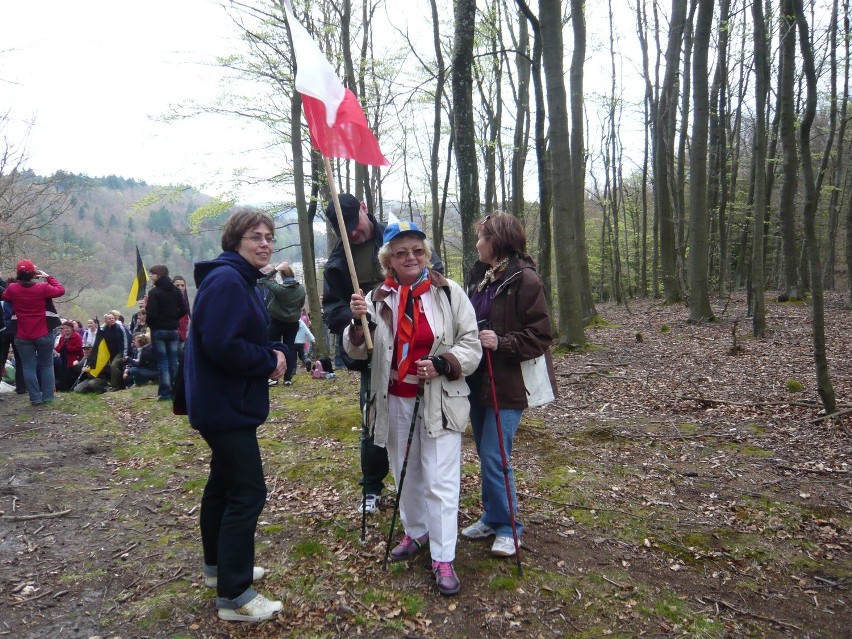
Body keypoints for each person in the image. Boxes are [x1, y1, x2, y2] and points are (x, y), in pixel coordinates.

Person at [345, 220, 481, 596]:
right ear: (389, 258)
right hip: (394, 399)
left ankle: (443, 555)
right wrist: (356, 325)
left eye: (417, 251)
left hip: (439, 400)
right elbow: (357, 351)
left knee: (440, 477)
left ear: (427, 255)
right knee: (404, 470)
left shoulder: (448, 293)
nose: (411, 258)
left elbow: (472, 343)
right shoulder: (376, 298)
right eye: (401, 252)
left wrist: (444, 363)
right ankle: (416, 532)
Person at [184, 207, 288, 622]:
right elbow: (222, 345)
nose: (264, 244)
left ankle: (218, 569)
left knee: (222, 487)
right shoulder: (227, 280)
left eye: (268, 237)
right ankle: (235, 595)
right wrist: (269, 360)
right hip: (224, 406)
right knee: (248, 492)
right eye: (255, 237)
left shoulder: (237, 279)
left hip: (221, 402)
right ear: (235, 241)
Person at [323, 194, 446, 514]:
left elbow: (433, 274)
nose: (353, 233)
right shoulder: (338, 262)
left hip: (416, 344)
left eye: (355, 225)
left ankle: (422, 484)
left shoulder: (398, 239)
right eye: (344, 230)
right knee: (374, 417)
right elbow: (331, 311)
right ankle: (373, 486)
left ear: (365, 207)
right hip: (374, 350)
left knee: (423, 417)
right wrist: (354, 318)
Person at [461, 213, 557, 557]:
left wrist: (501, 342)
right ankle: (492, 516)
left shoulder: (525, 280)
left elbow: (541, 336)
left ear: (497, 241)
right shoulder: (482, 278)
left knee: (495, 455)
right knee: (487, 455)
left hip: (509, 383)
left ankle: (509, 528)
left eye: (482, 237)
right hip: (478, 380)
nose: (477, 244)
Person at [2, 260, 65, 405]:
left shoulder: (12, 288)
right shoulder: (42, 287)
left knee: (27, 366)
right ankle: (48, 396)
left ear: (18, 274)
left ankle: (35, 398)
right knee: (46, 365)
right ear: (33, 274)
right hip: (43, 332)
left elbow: (5, 296)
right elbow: (60, 290)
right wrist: (48, 277)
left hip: (22, 334)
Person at [146, 264, 189, 401]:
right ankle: (177, 390)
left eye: (152, 274)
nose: (151, 276)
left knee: (163, 362)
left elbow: (150, 313)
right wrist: (174, 318)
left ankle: (165, 393)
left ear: (158, 275)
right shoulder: (175, 291)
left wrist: (153, 324)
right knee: (173, 361)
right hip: (173, 330)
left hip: (159, 330)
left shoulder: (154, 292)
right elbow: (184, 308)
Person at [259, 262, 305, 386]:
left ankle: (274, 377)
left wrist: (276, 269)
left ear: (282, 276)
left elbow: (263, 279)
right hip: (293, 323)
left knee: (273, 346)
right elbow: (301, 304)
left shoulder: (280, 289)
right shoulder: (301, 289)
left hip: (277, 321)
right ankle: (288, 377)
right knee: (289, 348)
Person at [102, 312, 131, 390]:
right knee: (109, 367)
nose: (111, 320)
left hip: (121, 352)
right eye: (109, 318)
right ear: (106, 320)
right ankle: (119, 384)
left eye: (113, 318)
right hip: (111, 353)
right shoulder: (104, 329)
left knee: (114, 365)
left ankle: (114, 386)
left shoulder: (119, 328)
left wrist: (124, 354)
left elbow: (125, 340)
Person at [54, 321, 84, 391]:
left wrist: (67, 348)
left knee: (70, 375)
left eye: (67, 328)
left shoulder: (76, 336)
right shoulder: (63, 337)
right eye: (64, 328)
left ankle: (71, 389)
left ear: (71, 328)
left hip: (73, 359)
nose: (66, 330)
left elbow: (79, 348)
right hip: (63, 359)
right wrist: (60, 348)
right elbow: (58, 347)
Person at [173, 275, 191, 355]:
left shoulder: (185, 301)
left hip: (184, 335)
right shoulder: (169, 300)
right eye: (178, 285)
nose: (180, 287)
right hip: (174, 333)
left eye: (182, 285)